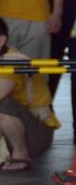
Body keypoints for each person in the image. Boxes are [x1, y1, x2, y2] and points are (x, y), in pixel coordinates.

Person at [0, 18, 60, 172]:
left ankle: (21, 153)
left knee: (2, 104)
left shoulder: (12, 61)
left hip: (35, 136)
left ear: (1, 40)